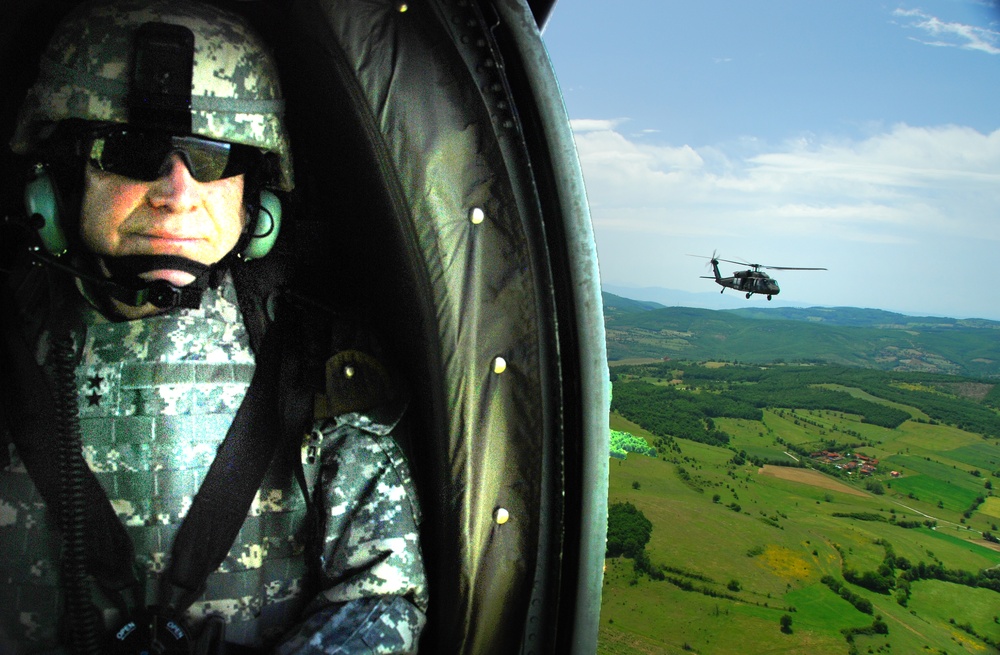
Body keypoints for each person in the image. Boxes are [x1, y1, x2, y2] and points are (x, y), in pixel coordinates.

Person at [0, 0, 427, 653]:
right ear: (55, 182)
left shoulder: (318, 357)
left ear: (256, 200)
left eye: (213, 158)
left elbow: (383, 594)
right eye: (130, 149)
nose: (177, 192)